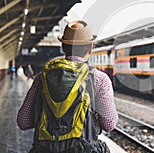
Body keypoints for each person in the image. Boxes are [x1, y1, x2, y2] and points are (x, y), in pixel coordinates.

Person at [17, 20, 118, 152]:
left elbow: (23, 122)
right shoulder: (99, 79)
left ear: (63, 47)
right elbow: (109, 124)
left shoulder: (42, 78)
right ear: (90, 48)